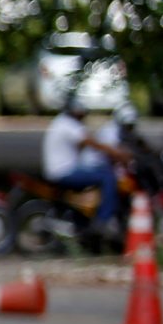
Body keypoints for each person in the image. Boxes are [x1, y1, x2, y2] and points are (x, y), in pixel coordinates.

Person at [41, 94, 124, 236]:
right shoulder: (68, 124)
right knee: (107, 176)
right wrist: (114, 152)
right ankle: (103, 220)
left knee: (97, 171)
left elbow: (84, 146)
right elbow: (91, 142)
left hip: (59, 171)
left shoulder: (60, 123)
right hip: (64, 172)